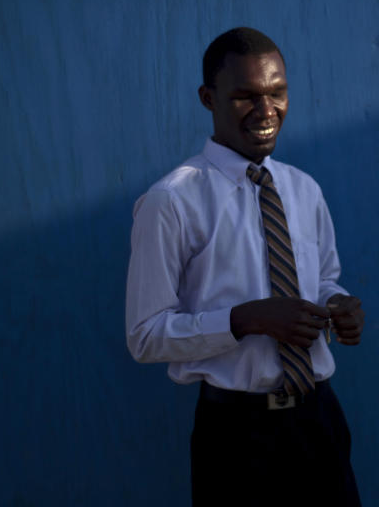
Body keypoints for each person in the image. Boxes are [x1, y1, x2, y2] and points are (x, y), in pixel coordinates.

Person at [125, 26, 364, 506]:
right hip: (236, 436)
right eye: (245, 97)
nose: (266, 111)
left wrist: (337, 305)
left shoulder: (303, 190)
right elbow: (145, 336)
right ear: (207, 98)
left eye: (278, 93)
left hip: (319, 418)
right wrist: (246, 320)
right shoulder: (171, 201)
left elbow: (324, 281)